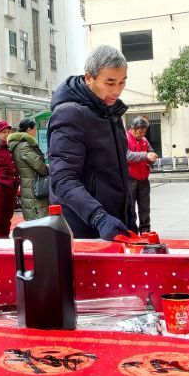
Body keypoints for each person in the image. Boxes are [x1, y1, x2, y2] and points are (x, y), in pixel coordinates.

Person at [48, 45, 135, 240]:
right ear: (89, 78)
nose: (117, 90)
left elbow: (119, 173)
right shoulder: (70, 114)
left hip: (114, 223)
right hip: (84, 226)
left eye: (122, 82)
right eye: (110, 82)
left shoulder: (110, 112)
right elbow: (63, 179)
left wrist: (130, 217)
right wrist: (99, 217)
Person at [8, 118, 49, 221]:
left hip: (28, 186)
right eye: (35, 129)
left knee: (34, 219)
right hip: (33, 187)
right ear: (29, 130)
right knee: (38, 218)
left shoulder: (18, 144)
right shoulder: (24, 146)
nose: (35, 132)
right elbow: (40, 167)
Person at [126, 116, 158, 233]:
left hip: (144, 178)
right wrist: (145, 155)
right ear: (133, 128)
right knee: (130, 208)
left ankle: (145, 231)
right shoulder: (125, 138)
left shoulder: (144, 140)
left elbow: (150, 151)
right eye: (140, 131)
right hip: (130, 179)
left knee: (145, 207)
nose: (142, 134)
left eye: (144, 132)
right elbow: (127, 155)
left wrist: (152, 157)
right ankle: (132, 231)